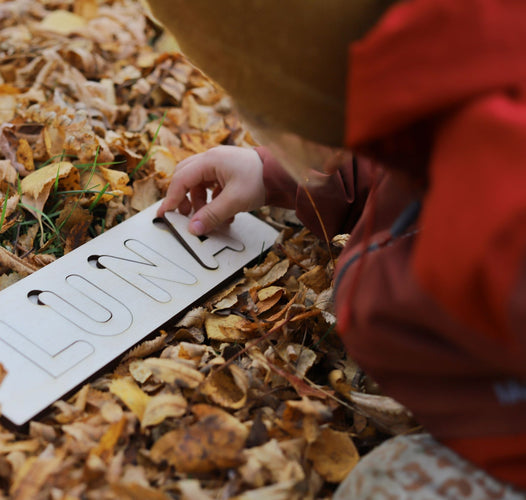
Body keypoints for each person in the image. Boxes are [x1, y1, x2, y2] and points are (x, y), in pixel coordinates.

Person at [146, 0, 526, 497]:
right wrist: (279, 173)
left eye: (251, 102)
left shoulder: (503, 219)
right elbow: (406, 168)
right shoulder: (460, 74)